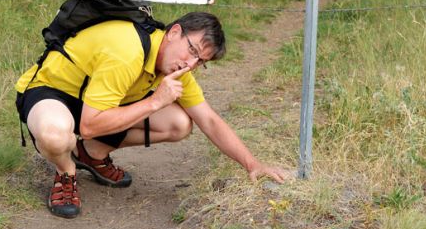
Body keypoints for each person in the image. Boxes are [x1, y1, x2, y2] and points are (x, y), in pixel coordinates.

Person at [15, 12, 290, 218]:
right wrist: (155, 102)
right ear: (174, 32)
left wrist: (252, 164)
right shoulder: (128, 51)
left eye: (201, 62)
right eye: (192, 50)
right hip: (54, 91)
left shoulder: (175, 65)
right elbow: (88, 125)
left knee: (179, 124)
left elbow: (209, 120)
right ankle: (66, 171)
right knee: (55, 135)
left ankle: (91, 154)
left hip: (96, 102)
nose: (191, 64)